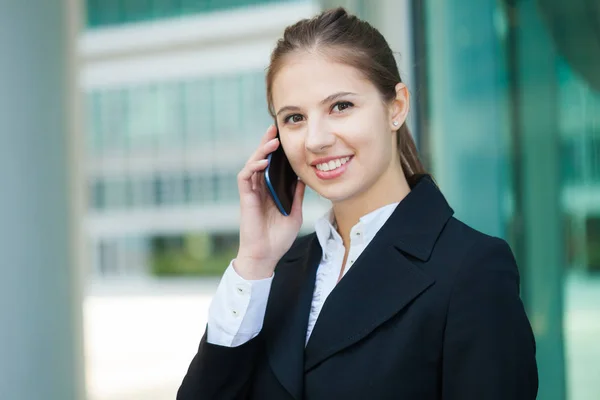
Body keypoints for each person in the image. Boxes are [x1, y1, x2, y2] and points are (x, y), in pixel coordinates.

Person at [177, 7, 538, 400]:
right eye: (294, 118)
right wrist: (254, 262)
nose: (315, 139)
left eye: (341, 106)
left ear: (396, 107)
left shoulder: (472, 269)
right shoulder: (276, 273)